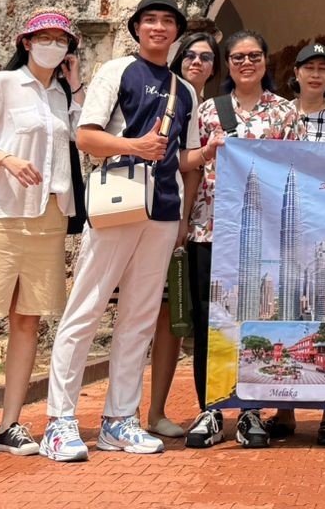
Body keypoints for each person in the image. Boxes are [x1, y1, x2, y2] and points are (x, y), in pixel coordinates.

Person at [41, 0, 201, 461]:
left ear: (176, 32)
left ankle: (119, 420)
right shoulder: (117, 71)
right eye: (149, 20)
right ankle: (60, 420)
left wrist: (207, 155)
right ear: (137, 28)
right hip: (117, 203)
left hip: (163, 211)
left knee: (138, 319)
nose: (158, 28)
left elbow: (182, 157)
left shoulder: (185, 89)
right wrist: (135, 145)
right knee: (86, 307)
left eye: (167, 22)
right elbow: (87, 137)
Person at [0, 7, 83, 461]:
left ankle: (10, 423)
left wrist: (76, 84)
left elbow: (83, 137)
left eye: (61, 39)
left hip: (48, 215)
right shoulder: (2, 84)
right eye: (44, 37)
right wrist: (6, 159)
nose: (53, 45)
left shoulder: (62, 97)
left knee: (29, 320)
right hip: (1, 214)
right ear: (25, 42)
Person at [180, 30, 301, 450]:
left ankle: (251, 410)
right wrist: (182, 224)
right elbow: (189, 166)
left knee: (254, 322)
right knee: (207, 324)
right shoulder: (207, 111)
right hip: (210, 228)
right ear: (226, 65)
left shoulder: (286, 114)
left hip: (263, 236)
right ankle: (210, 408)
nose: (246, 63)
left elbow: (296, 171)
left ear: (267, 61)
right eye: (237, 58)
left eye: (253, 56)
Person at [274, 42, 325, 447]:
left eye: (324, 68)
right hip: (285, 229)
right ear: (296, 72)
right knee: (286, 310)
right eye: (309, 67)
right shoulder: (277, 113)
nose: (316, 74)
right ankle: (283, 409)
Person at [144, 31, 220, 442]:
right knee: (150, 313)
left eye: (206, 57)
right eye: (189, 55)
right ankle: (133, 410)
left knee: (175, 317)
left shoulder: (210, 109)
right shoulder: (166, 96)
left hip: (191, 224)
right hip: (152, 214)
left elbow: (193, 170)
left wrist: (186, 222)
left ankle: (157, 411)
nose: (197, 62)